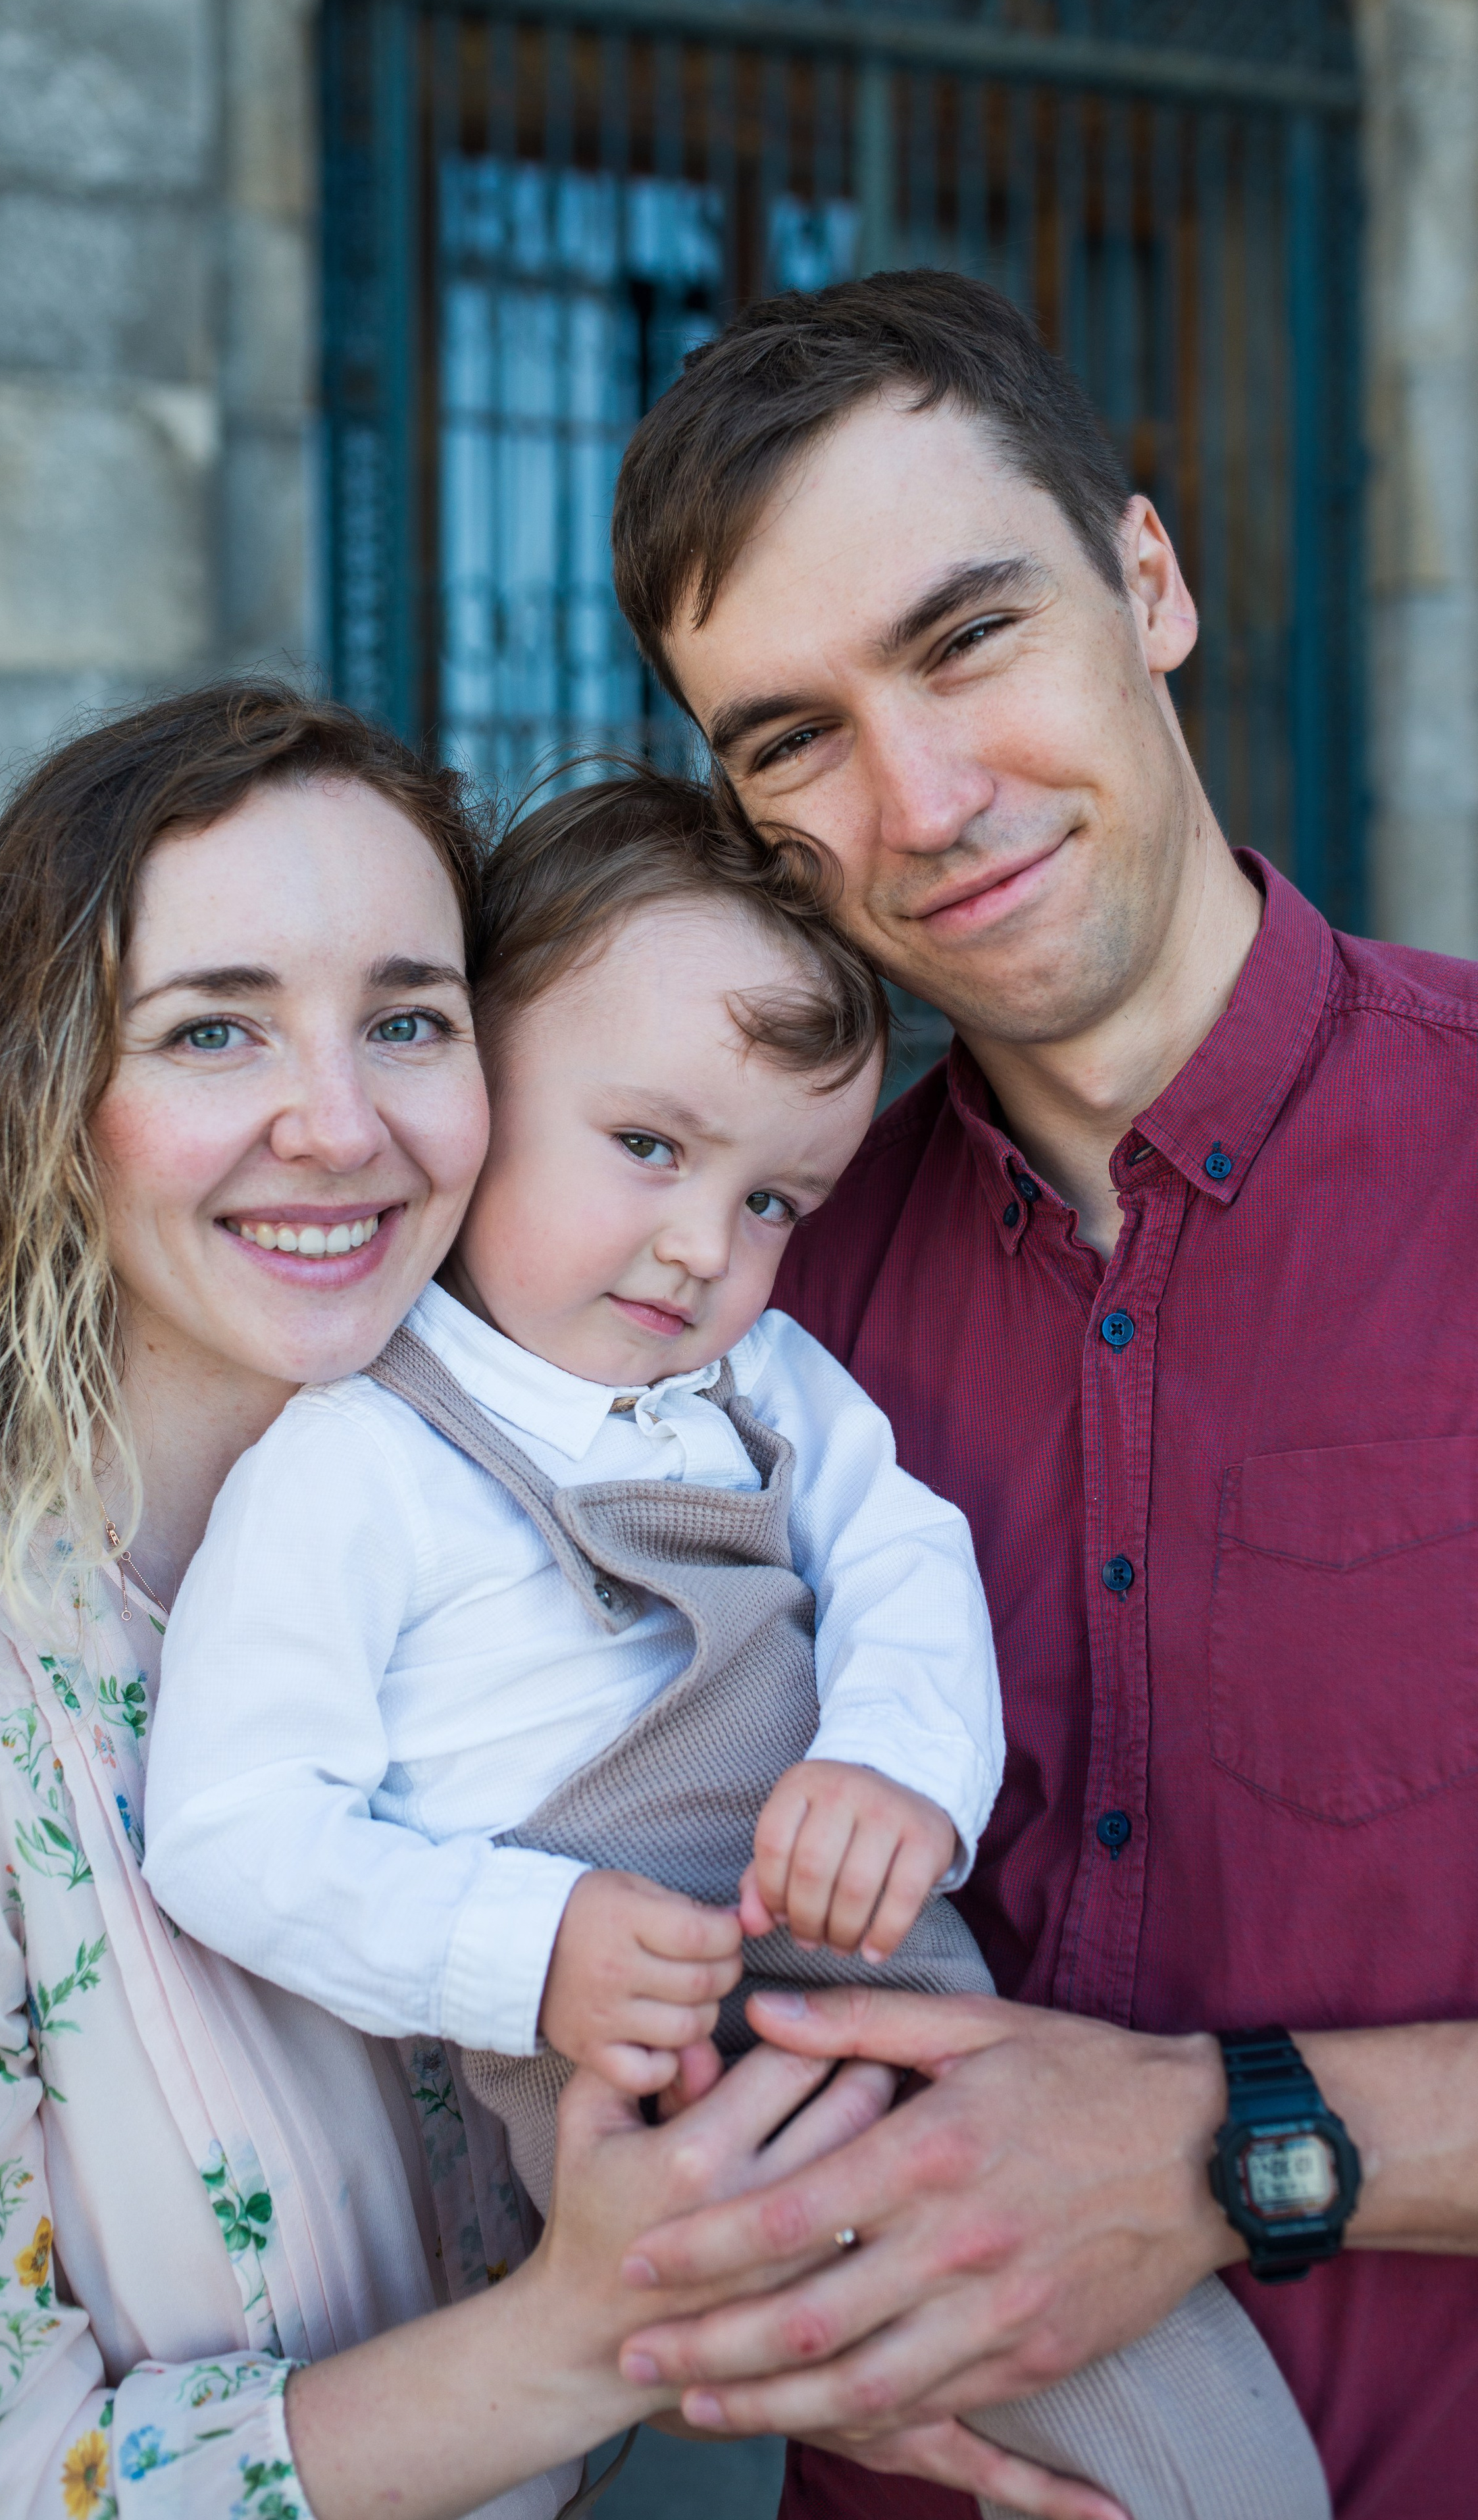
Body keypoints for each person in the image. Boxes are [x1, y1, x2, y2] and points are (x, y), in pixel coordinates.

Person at [143, 766, 1329, 2520]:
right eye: (648, 1148)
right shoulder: (360, 1460)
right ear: (481, 1097)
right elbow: (232, 1832)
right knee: (1034, 2384)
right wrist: (528, 1944)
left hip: (876, 1971)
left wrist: (895, 1762)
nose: (707, 1247)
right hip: (636, 2055)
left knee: (1141, 2378)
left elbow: (905, 1558)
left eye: (780, 1200)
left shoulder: (762, 1385)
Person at [0, 683, 919, 2520]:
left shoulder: (592, 1526)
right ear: (45, 1098)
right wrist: (576, 2331)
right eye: (214, 1030)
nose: (338, 1123)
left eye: (407, 1017)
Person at [599, 270, 1478, 2520]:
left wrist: (1222, 2141)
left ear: (1148, 581)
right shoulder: (740, 1328)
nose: (926, 799)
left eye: (968, 633)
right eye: (791, 735)